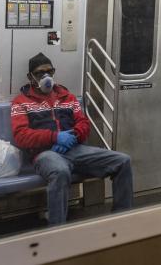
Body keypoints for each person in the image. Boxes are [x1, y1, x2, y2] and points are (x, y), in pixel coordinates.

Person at [11, 52, 133, 225]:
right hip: (45, 154)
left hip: (74, 149)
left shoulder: (67, 97)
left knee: (122, 161)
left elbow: (84, 123)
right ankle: (57, 229)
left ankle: (122, 220)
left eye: (49, 71)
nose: (46, 76)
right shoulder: (21, 102)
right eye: (40, 73)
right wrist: (54, 137)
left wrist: (73, 136)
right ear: (30, 77)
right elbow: (21, 136)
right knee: (60, 171)